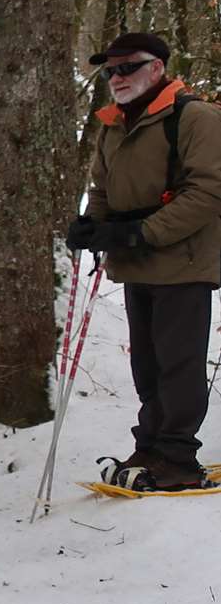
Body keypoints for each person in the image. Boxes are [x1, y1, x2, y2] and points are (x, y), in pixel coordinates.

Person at [68, 31, 221, 492]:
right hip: (137, 262)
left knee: (179, 362)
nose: (117, 77)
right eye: (110, 70)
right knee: (148, 365)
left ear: (156, 68)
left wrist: (139, 233)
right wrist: (92, 226)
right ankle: (151, 444)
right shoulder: (113, 124)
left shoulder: (193, 118)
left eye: (127, 67)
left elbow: (207, 192)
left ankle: (176, 453)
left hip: (183, 261)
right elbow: (101, 187)